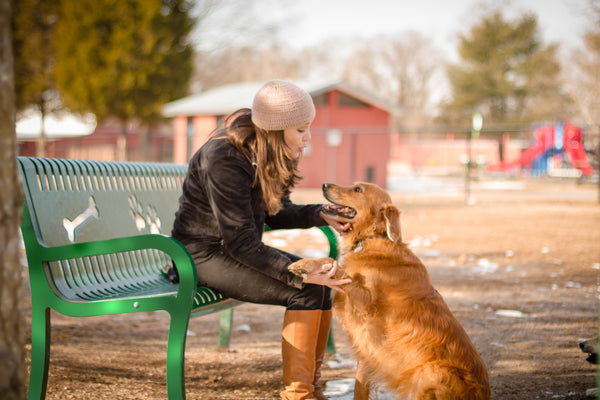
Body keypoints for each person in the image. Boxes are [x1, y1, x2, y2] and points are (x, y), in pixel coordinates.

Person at [171, 79, 352, 400]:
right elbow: (240, 242)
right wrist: (298, 271)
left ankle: (311, 385)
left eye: (308, 128)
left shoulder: (263, 152)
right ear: (274, 129)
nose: (307, 139)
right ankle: (299, 394)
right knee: (308, 286)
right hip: (200, 255)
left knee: (323, 281)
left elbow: (276, 212)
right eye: (300, 130)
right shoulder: (224, 157)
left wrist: (320, 213)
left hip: (233, 251)